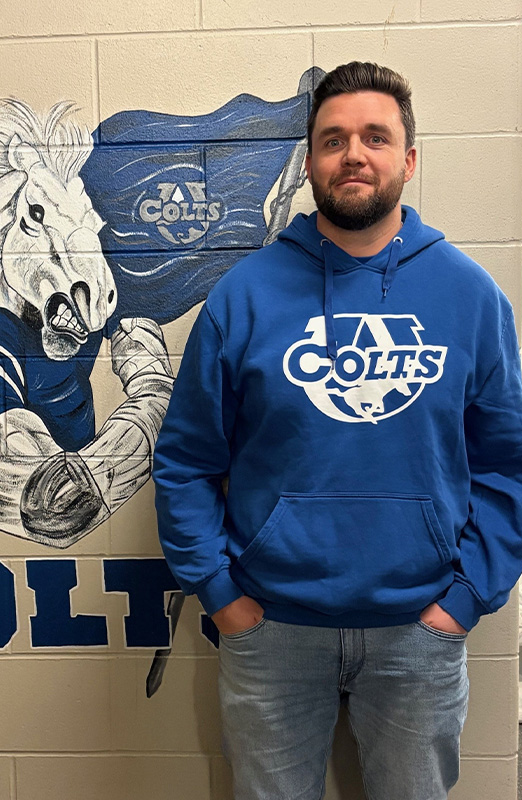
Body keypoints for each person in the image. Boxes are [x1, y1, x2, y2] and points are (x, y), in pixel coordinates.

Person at [151, 61, 522, 800]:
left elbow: (507, 465)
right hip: (272, 632)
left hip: (420, 634)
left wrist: (464, 600)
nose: (354, 154)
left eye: (375, 137)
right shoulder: (244, 296)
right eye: (333, 139)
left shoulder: (470, 297)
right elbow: (186, 461)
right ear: (310, 163)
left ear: (407, 160)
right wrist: (222, 595)